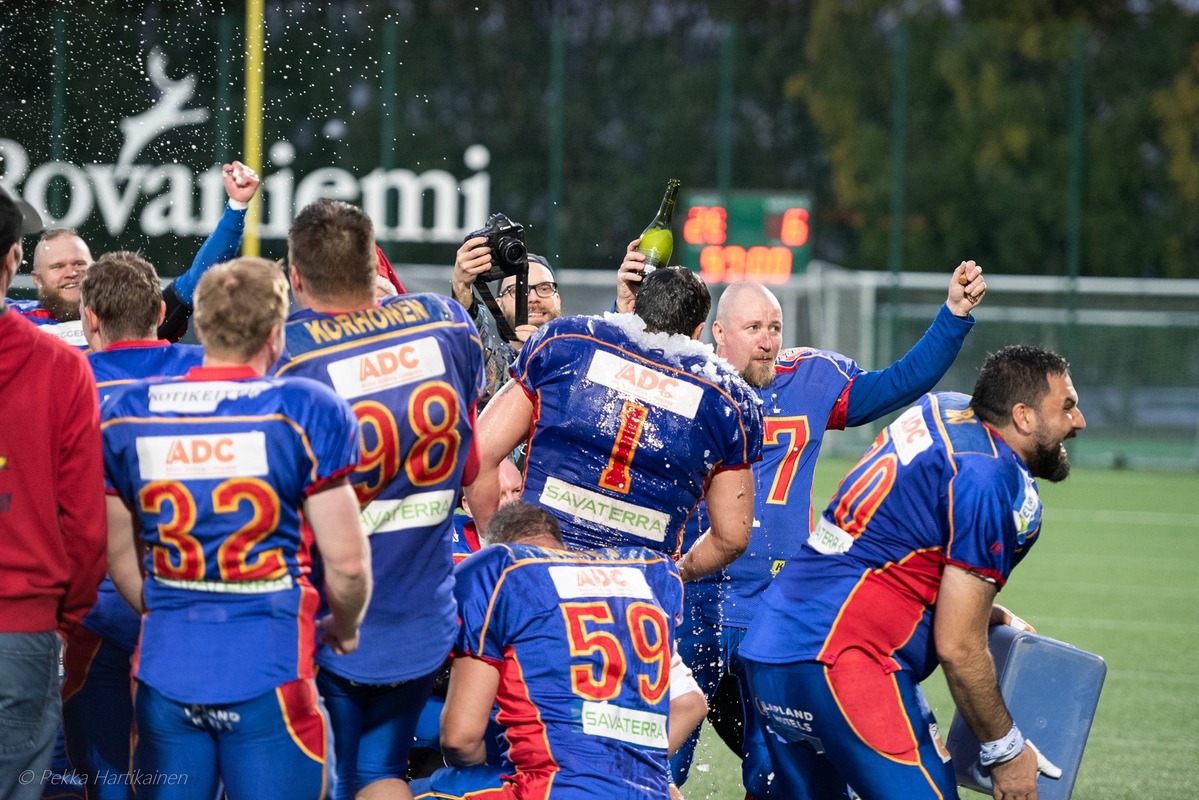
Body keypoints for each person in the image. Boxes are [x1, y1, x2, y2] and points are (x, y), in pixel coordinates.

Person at [639, 261, 986, 795]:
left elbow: (897, 384)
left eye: (774, 327)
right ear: (718, 333)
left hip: (774, 607)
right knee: (654, 760)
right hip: (690, 599)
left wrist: (953, 317)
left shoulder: (810, 378)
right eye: (753, 328)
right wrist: (627, 304)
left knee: (785, 776)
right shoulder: (682, 378)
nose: (767, 340)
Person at [740, 345, 1084, 800]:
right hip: (843, 661)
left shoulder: (943, 406)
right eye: (1067, 406)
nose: (1078, 421)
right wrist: (1005, 749)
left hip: (771, 649)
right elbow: (959, 646)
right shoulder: (991, 478)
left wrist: (968, 606)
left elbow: (891, 539)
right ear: (1022, 416)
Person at [101, 257, 371, 800]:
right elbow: (346, 564)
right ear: (275, 334)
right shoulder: (303, 408)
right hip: (270, 668)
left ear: (200, 325)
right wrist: (345, 627)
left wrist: (171, 609)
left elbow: (119, 556)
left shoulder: (129, 410)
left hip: (165, 667)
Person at [274, 199, 485, 800]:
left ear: (296, 278)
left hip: (330, 618)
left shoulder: (287, 355)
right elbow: (470, 465)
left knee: (323, 778)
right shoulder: (446, 322)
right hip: (424, 613)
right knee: (379, 771)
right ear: (374, 267)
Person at [467, 266, 763, 586]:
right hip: (637, 589)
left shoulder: (566, 340)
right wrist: (674, 574)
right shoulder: (728, 399)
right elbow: (732, 538)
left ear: (634, 308)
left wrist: (495, 546)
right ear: (698, 331)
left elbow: (478, 454)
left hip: (542, 572)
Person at [56, 251, 207, 799]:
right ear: (160, 313)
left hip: (96, 614)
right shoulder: (210, 373)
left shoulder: (63, 385)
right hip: (196, 606)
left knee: (108, 783)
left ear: (89, 319)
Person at [417, 501, 684, 799]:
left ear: (496, 546)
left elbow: (460, 740)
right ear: (562, 547)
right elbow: (691, 703)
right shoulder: (649, 572)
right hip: (648, 791)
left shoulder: (501, 570)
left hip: (551, 788)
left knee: (388, 786)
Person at [0, 187, 107, 800]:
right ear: (18, 262)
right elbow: (87, 526)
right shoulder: (62, 366)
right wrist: (65, 623)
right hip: (24, 627)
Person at [7, 161, 260, 348]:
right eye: (57, 266)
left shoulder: (133, 316)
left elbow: (199, 278)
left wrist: (236, 207)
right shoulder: (13, 318)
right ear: (37, 279)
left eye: (79, 263)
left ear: (94, 269)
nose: (71, 272)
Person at [451, 237, 561, 404]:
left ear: (558, 299)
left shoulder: (579, 354)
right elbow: (470, 352)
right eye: (517, 291)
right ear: (499, 305)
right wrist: (461, 287)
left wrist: (546, 354)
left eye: (544, 288)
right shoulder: (495, 365)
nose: (533, 298)